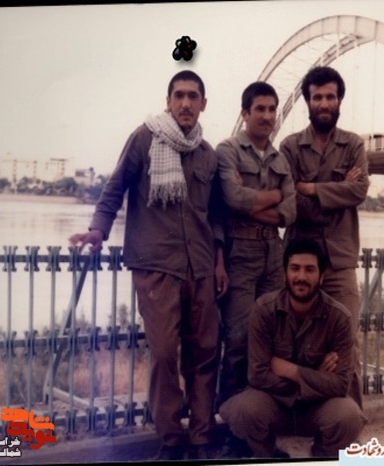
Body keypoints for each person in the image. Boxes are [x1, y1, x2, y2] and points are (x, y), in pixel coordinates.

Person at [69, 70, 227, 461]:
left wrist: (219, 260)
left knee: (205, 352)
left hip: (201, 267)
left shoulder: (208, 154)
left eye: (193, 96)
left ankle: (201, 437)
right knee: (164, 354)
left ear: (204, 104)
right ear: (168, 101)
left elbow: (215, 215)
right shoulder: (144, 139)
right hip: (157, 267)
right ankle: (171, 438)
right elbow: (115, 189)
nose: (186, 103)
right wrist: (98, 231)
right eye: (179, 95)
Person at [219, 238, 366, 459]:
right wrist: (316, 378)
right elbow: (257, 375)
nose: (301, 277)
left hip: (318, 407)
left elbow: (341, 384)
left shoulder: (339, 318)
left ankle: (320, 458)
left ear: (321, 276)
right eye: (295, 268)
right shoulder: (264, 310)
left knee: (349, 417)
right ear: (285, 274)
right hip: (275, 403)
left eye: (310, 270)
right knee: (244, 411)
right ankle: (270, 457)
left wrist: (292, 371)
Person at [279, 66, 369, 408]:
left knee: (346, 342)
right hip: (300, 263)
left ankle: (349, 417)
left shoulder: (353, 144)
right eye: (317, 97)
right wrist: (337, 190)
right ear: (307, 101)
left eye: (330, 96)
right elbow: (292, 201)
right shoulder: (290, 146)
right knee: (297, 342)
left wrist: (313, 188)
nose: (324, 103)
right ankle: (300, 413)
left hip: (340, 261)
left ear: (339, 100)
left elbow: (359, 191)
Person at [216, 81, 296, 406]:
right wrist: (274, 196)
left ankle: (260, 411)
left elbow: (290, 212)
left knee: (270, 337)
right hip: (240, 253)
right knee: (238, 339)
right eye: (259, 109)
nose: (267, 116)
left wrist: (253, 206)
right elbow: (232, 198)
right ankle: (230, 412)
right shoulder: (228, 150)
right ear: (245, 113)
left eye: (272, 109)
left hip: (273, 255)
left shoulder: (280, 159)